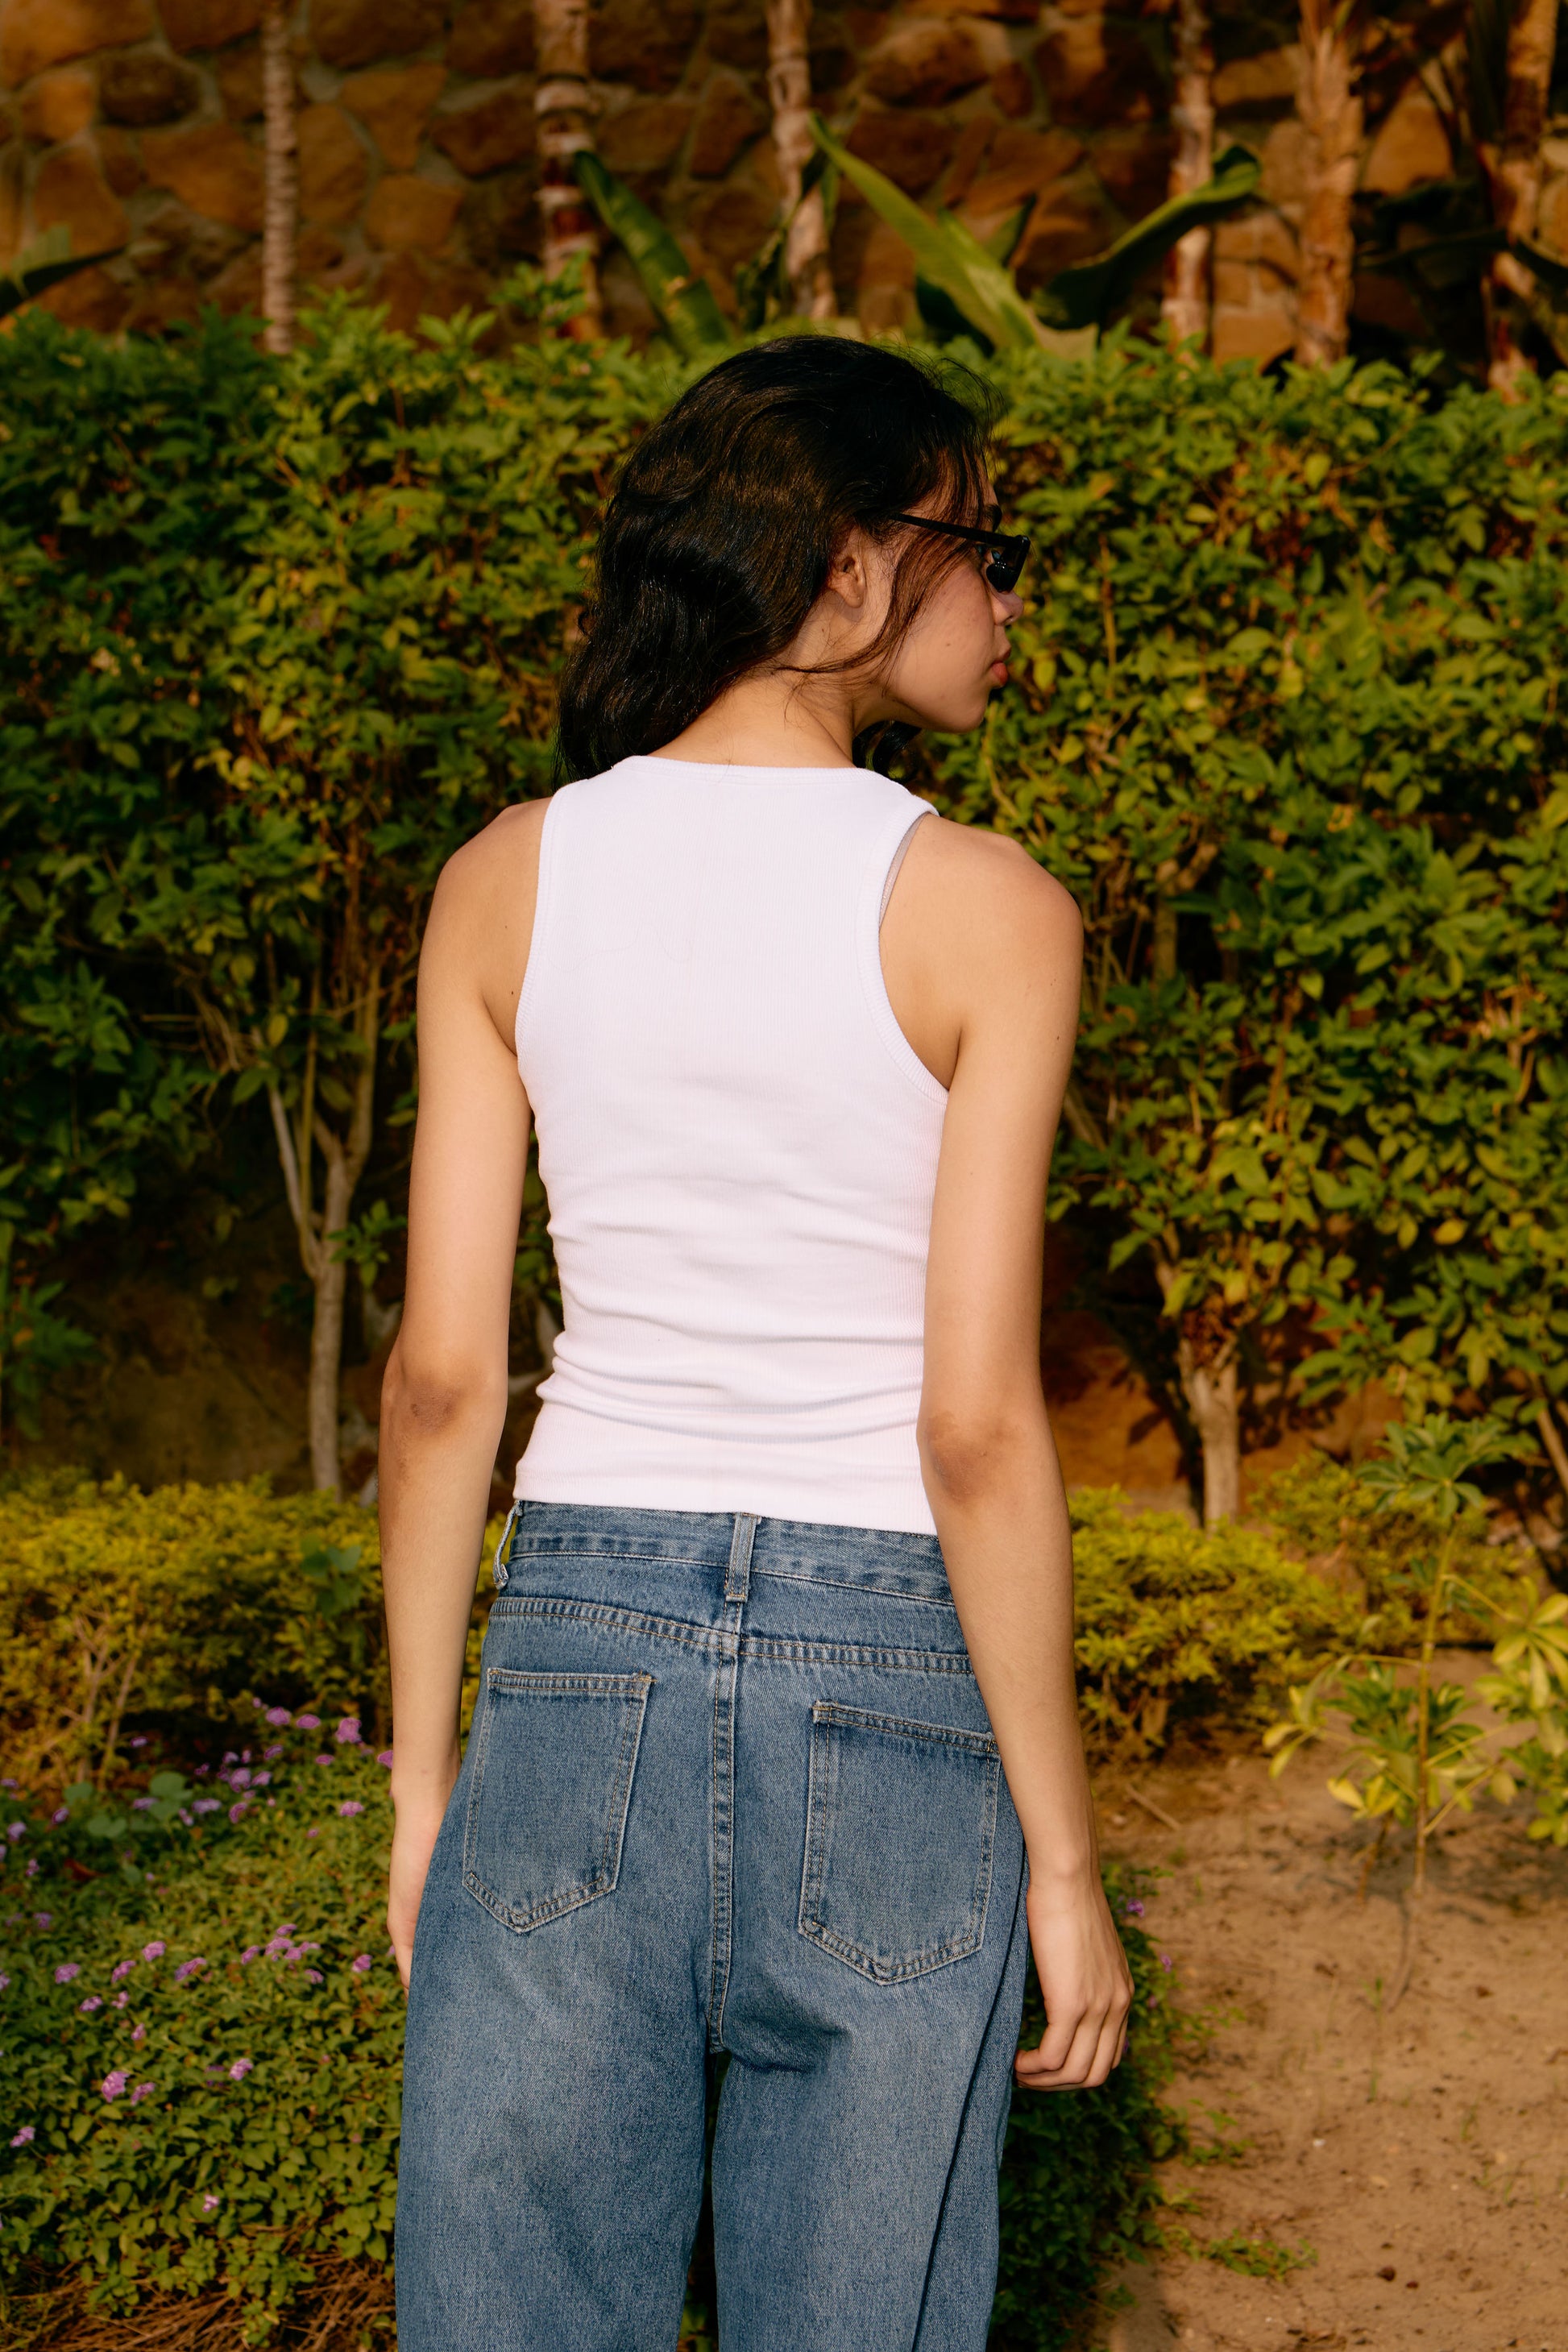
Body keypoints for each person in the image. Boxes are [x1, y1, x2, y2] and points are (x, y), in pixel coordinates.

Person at [380, 334, 1131, 2352]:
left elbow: (445, 1378)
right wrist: (1064, 1860)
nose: (1010, 603)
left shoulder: (504, 878)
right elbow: (971, 1422)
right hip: (887, 1675)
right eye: (989, 549)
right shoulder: (986, 905)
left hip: (571, 1660)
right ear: (848, 567)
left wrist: (425, 1785)